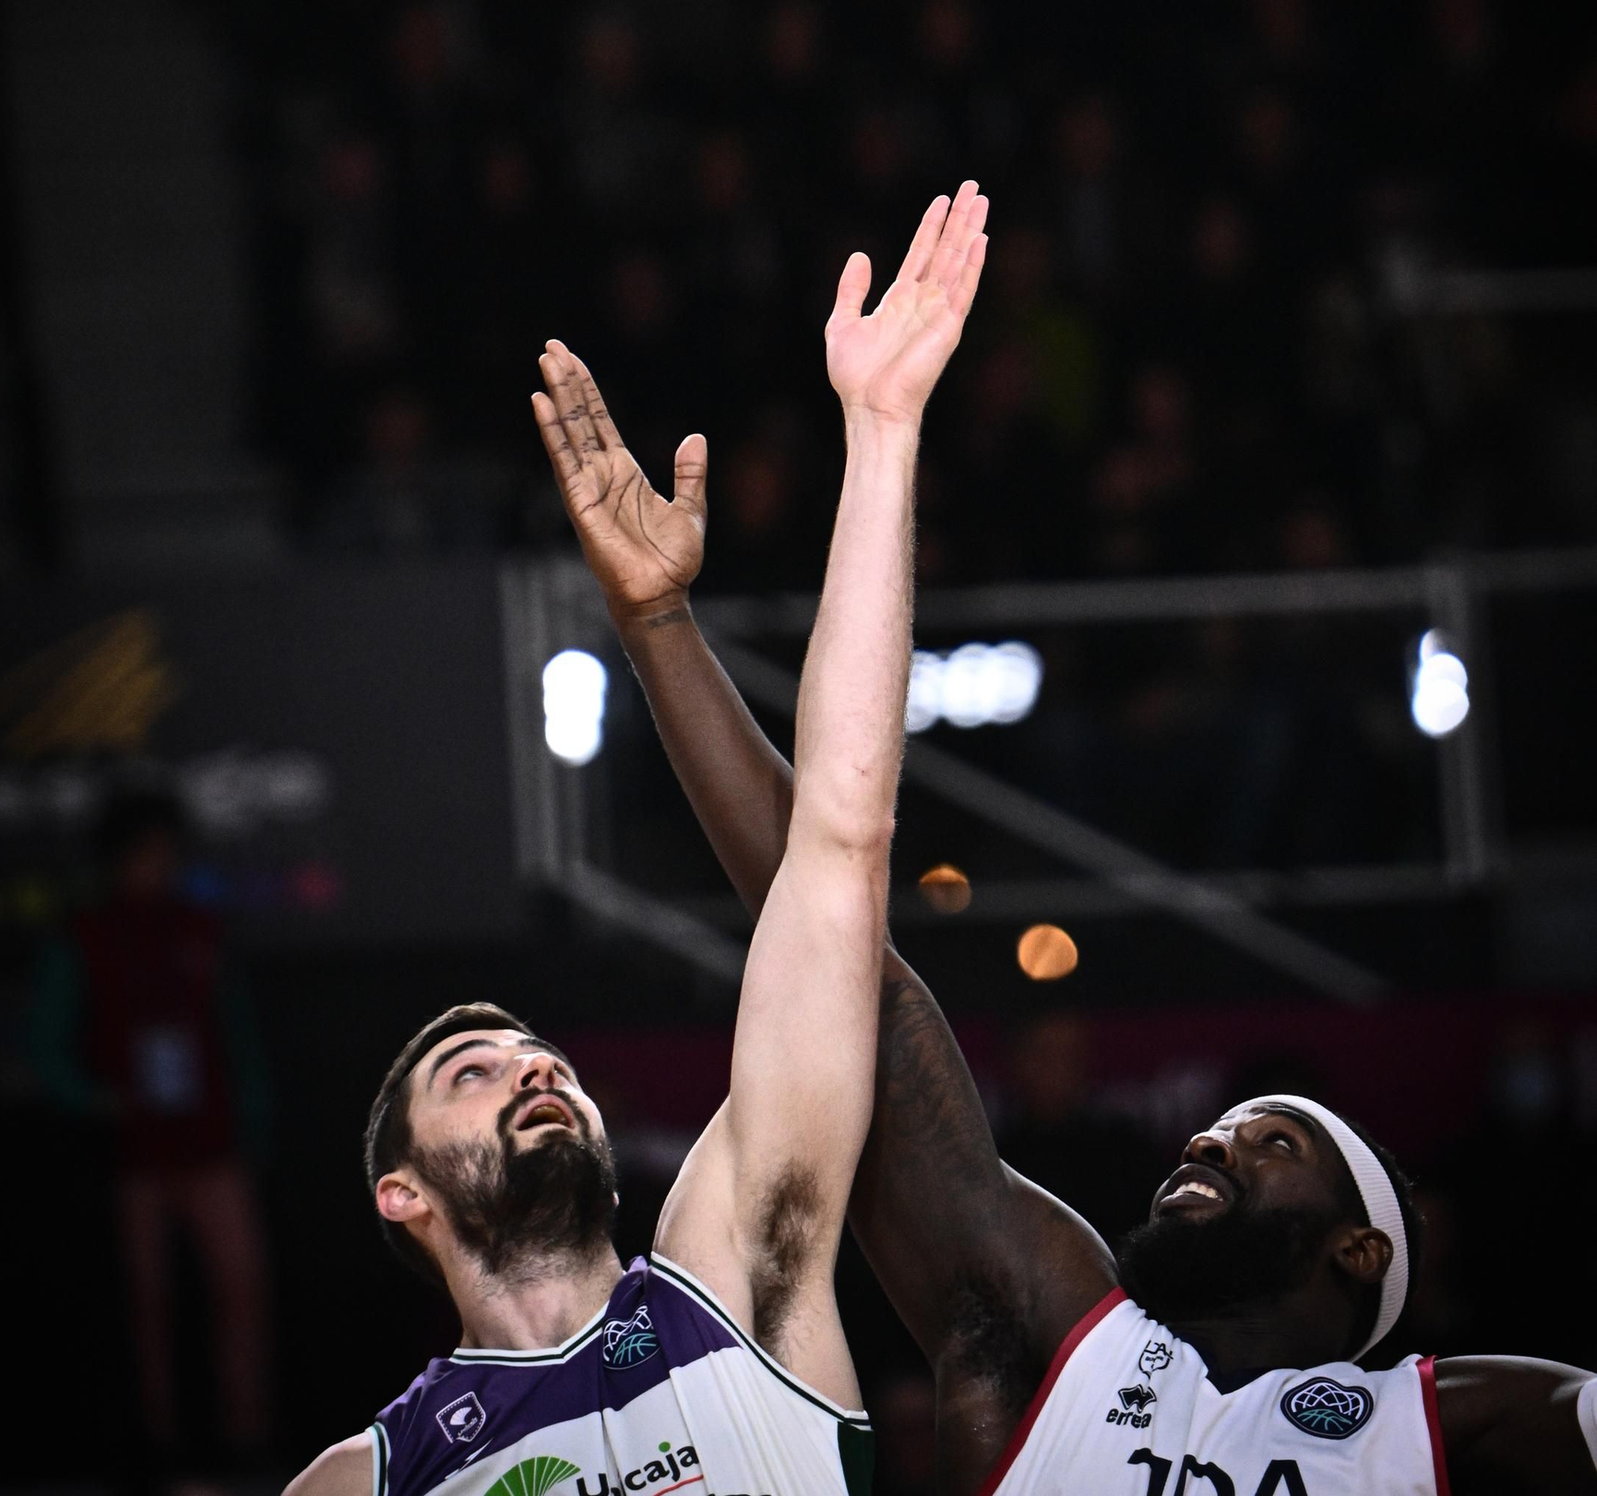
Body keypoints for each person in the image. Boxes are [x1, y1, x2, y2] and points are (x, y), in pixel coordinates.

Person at [534, 353, 1597, 1494]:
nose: (1208, 1140)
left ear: (1360, 1250)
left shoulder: (1436, 1426)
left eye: (1272, 1143)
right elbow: (845, 958)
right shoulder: (1062, 1332)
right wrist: (654, 619)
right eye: (1227, 1127)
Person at [284, 183, 989, 1496]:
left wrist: (882, 433)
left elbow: (840, 838)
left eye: (535, 1051)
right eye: (474, 1070)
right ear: (402, 1193)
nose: (531, 1066)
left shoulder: (732, 1274)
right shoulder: (359, 1478)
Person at [30, 787, 274, 1471]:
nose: (155, 866)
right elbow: (45, 1046)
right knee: (146, 1305)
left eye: (165, 852)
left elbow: (239, 1038)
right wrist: (97, 1100)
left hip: (212, 1145)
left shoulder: (201, 929)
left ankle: (246, 1441)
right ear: (115, 859)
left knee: (241, 1287)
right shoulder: (85, 937)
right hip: (133, 1155)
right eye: (142, 854)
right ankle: (157, 1449)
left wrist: (251, 1123)